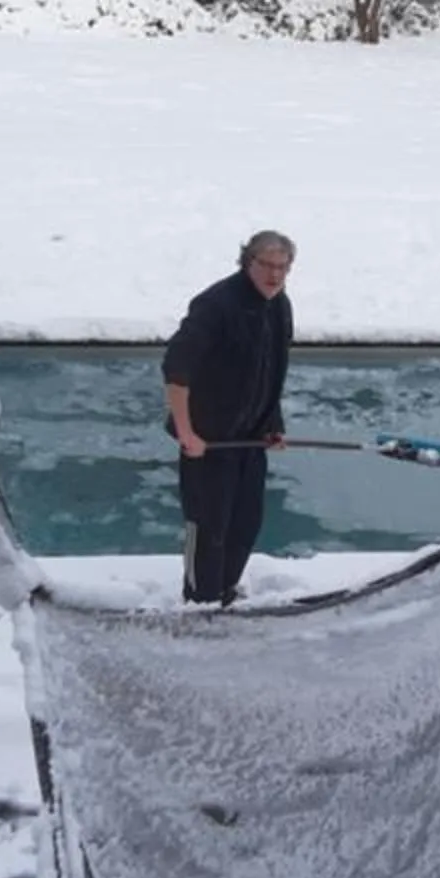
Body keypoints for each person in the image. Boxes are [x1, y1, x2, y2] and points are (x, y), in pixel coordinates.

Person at [162, 231, 296, 604]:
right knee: (208, 529)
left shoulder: (280, 306)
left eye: (282, 268)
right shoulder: (216, 305)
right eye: (266, 266)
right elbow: (176, 369)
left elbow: (270, 371)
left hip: (250, 440)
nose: (274, 275)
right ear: (247, 262)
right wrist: (187, 432)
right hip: (207, 443)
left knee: (244, 525)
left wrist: (273, 425)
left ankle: (225, 594)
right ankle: (199, 602)